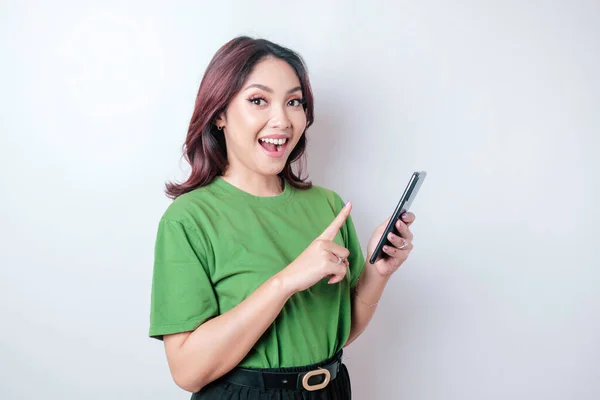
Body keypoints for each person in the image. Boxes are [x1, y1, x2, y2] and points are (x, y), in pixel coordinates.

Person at [148, 36, 416, 399]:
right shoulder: (189, 219)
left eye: (294, 102)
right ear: (220, 114)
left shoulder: (328, 206)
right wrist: (286, 281)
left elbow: (337, 330)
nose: (283, 120)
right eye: (258, 100)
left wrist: (377, 273)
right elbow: (188, 372)